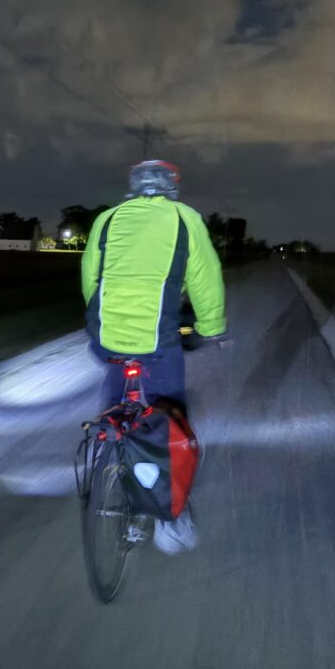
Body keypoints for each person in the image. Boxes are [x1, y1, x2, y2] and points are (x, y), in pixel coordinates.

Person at [80, 159, 226, 554]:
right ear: (171, 188)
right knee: (169, 416)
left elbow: (90, 276)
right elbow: (205, 276)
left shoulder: (107, 219)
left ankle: (105, 464)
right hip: (158, 340)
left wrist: (103, 322)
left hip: (107, 337)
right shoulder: (184, 218)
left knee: (114, 405)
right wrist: (211, 328)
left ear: (133, 187)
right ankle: (170, 518)